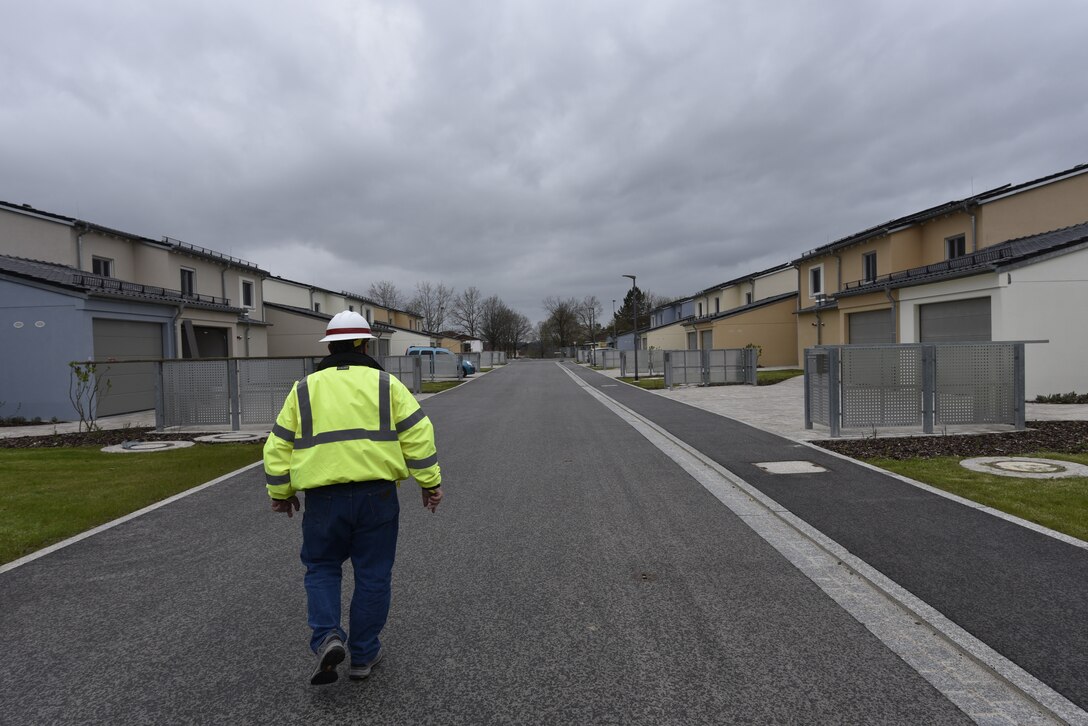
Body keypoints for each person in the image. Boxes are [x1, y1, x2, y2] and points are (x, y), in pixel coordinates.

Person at [263, 310, 443, 685]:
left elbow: (278, 444)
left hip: (323, 498)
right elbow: (417, 434)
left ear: (330, 346)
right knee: (373, 574)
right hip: (376, 496)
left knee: (323, 567)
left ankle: (327, 636)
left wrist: (281, 492)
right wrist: (429, 483)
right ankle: (363, 654)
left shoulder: (304, 389)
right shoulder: (386, 385)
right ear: (364, 344)